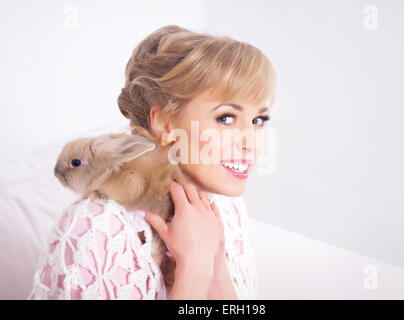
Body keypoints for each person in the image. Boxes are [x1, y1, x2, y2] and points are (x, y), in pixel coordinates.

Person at [28, 24, 276, 300]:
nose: (251, 143)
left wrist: (215, 268)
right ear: (166, 124)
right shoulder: (96, 228)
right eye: (226, 118)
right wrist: (194, 269)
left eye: (258, 121)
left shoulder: (226, 207)